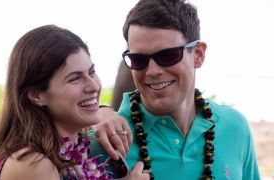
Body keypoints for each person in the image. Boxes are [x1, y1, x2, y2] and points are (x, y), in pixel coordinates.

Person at [91, 0, 260, 179]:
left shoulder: (235, 127)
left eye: (168, 56)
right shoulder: (107, 142)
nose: (153, 71)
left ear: (198, 55)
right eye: (138, 59)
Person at [0, 25, 150, 180]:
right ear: (36, 95)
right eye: (75, 79)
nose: (93, 86)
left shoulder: (75, 148)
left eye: (91, 72)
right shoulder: (31, 164)